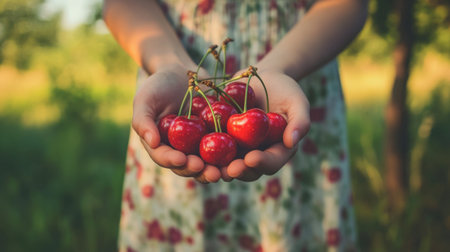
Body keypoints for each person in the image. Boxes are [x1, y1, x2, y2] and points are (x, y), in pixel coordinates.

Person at [103, 0, 367, 251]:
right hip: (173, 83)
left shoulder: (256, 107)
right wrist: (169, 64)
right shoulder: (184, 109)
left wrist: (278, 68)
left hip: (299, 73)